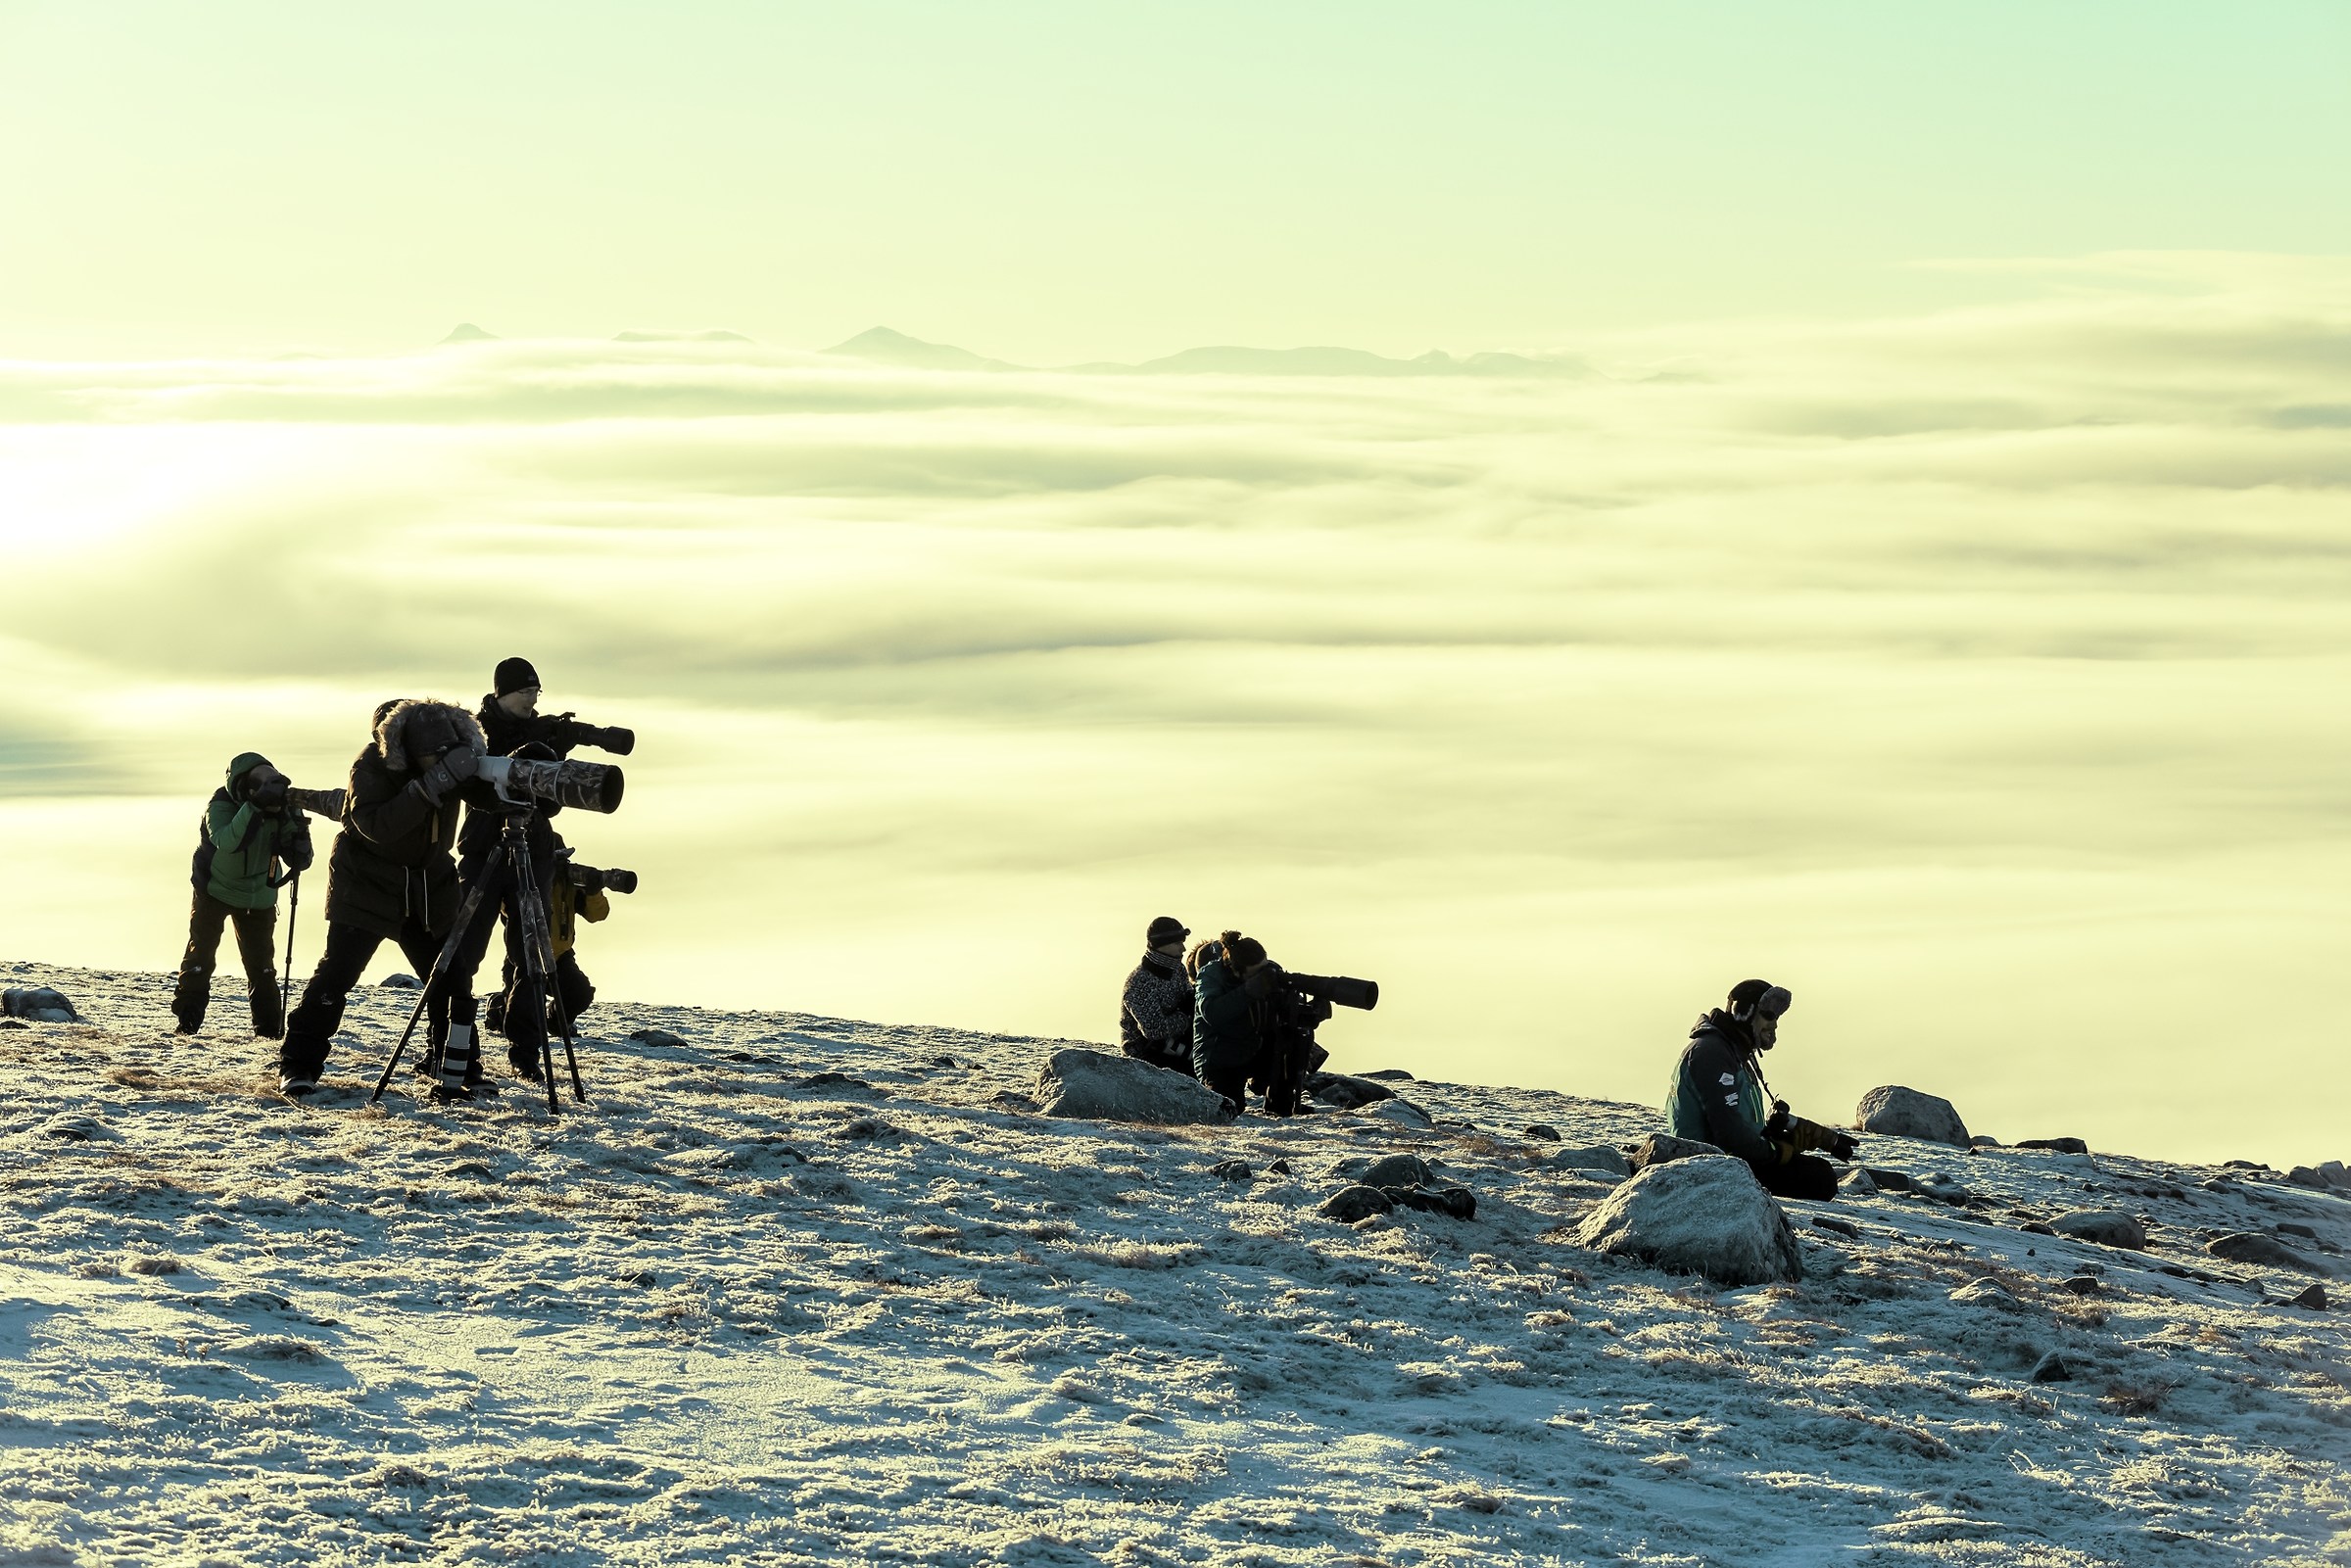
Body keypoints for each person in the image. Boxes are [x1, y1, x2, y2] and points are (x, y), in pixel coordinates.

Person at [278, 699, 482, 1096]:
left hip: (428, 888)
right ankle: (297, 1065)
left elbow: (484, 797)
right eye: (431, 755)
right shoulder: (370, 766)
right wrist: (430, 787)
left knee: (452, 981)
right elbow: (378, 826)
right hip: (367, 884)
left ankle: (458, 1066)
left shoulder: (453, 757)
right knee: (337, 975)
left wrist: (511, 781)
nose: (440, 760)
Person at [1666, 978, 1857, 1201]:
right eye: (1768, 1015)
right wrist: (1778, 1151)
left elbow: (1736, 1122)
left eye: (1776, 1017)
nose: (1774, 1024)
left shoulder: (1733, 1052)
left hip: (1728, 1160)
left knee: (1818, 1172)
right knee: (1819, 1177)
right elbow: (1730, 1135)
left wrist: (1781, 1133)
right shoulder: (1712, 1053)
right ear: (1744, 1013)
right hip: (1708, 1166)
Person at [171, 752, 313, 1039]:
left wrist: (297, 838)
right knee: (201, 955)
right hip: (214, 890)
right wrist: (255, 807)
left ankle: (269, 1031)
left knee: (262, 968)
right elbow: (227, 841)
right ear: (247, 788)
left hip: (258, 896)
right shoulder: (221, 804)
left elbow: (302, 859)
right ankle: (187, 1021)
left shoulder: (282, 806)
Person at [485, 836, 606, 1040]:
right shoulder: (521, 878)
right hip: (524, 957)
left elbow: (598, 915)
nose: (562, 864)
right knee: (523, 1009)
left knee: (580, 993)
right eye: (557, 859)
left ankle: (556, 1021)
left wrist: (593, 892)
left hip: (559, 956)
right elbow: (507, 913)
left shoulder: (569, 883)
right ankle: (499, 1009)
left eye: (563, 859)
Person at [1192, 929, 1271, 1112]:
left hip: (1253, 1046)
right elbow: (1211, 1013)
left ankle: (1278, 1100)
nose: (1261, 975)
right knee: (1229, 1110)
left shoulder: (1267, 971)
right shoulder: (1210, 975)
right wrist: (1248, 991)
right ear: (1236, 970)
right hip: (1219, 1058)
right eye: (1254, 974)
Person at [1119, 916, 1195, 1074]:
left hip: (1174, 1043)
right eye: (1177, 943)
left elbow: (1188, 999)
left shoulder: (1178, 969)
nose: (1183, 949)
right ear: (1161, 945)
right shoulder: (1139, 982)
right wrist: (1186, 1015)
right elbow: (1155, 1030)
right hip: (1145, 1057)